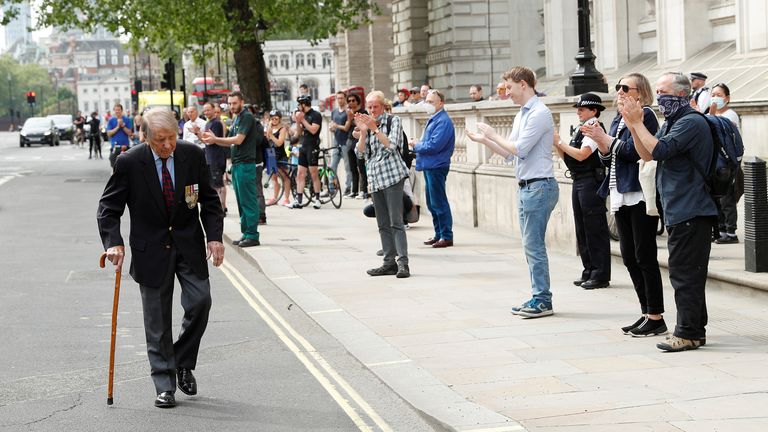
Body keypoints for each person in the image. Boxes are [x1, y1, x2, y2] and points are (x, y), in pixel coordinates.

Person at [97, 108, 225, 408]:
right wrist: (113, 243)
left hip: (188, 243)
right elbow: (108, 208)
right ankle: (164, 383)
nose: (167, 145)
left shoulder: (192, 155)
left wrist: (215, 237)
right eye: (160, 140)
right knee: (157, 322)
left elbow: (207, 199)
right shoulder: (129, 162)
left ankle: (181, 360)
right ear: (146, 137)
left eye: (171, 138)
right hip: (150, 249)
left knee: (200, 300)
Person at [620, 72, 717, 352]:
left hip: (692, 208)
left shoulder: (691, 122)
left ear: (682, 94)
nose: (659, 97)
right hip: (678, 208)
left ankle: (686, 332)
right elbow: (647, 155)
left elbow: (661, 150)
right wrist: (633, 125)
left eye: (663, 92)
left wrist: (639, 122)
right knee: (688, 272)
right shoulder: (674, 121)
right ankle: (695, 330)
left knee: (684, 273)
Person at [467, 66, 558, 319]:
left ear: (523, 85)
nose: (507, 92)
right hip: (527, 186)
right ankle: (538, 295)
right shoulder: (522, 114)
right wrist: (484, 140)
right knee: (530, 245)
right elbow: (509, 154)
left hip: (539, 186)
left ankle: (542, 299)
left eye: (509, 87)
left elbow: (520, 149)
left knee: (534, 245)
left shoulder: (540, 113)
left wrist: (493, 134)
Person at [582, 73, 666, 337]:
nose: (619, 91)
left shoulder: (646, 115)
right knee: (629, 257)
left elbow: (637, 153)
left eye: (624, 87)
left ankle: (656, 315)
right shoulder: (619, 118)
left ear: (639, 93)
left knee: (645, 256)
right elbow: (612, 160)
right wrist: (601, 144)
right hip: (620, 192)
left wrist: (607, 141)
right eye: (618, 87)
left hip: (639, 193)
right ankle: (645, 312)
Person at [553, 93, 611, 290]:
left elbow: (582, 155)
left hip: (590, 182)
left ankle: (600, 274)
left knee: (594, 228)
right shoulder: (582, 129)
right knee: (582, 229)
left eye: (582, 109)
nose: (578, 112)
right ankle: (589, 270)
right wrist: (557, 143)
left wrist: (560, 143)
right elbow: (568, 157)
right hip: (579, 180)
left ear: (594, 111)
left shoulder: (595, 128)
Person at [355, 90, 411, 278]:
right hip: (375, 179)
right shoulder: (368, 125)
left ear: (383, 106)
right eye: (369, 107)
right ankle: (389, 263)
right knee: (382, 223)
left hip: (393, 176)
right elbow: (360, 154)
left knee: (396, 222)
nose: (372, 110)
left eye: (375, 106)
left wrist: (375, 129)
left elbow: (392, 145)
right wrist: (363, 133)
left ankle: (403, 263)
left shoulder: (393, 121)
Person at [201, 91, 263, 248]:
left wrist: (216, 139)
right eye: (230, 103)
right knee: (241, 202)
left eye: (234, 103)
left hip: (245, 164)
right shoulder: (237, 118)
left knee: (248, 201)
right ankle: (246, 233)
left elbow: (238, 140)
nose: (232, 106)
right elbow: (228, 141)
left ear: (241, 102)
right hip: (237, 164)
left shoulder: (247, 117)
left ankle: (252, 235)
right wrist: (212, 139)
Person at [410, 89, 455, 248]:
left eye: (431, 102)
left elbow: (434, 146)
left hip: (437, 165)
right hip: (431, 165)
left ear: (441, 103)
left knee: (438, 202)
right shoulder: (435, 118)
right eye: (427, 101)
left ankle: (446, 236)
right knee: (432, 202)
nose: (428, 105)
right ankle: (439, 234)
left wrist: (417, 145)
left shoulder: (443, 121)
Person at [708, 82, 743, 244]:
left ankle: (730, 232)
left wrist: (712, 116)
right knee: (719, 199)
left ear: (727, 98)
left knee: (728, 200)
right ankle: (721, 229)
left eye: (719, 95)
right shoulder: (714, 115)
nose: (715, 98)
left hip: (727, 164)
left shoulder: (730, 115)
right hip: (717, 164)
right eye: (713, 94)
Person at [292, 95, 323, 209]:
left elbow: (313, 130)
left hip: (313, 146)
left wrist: (302, 119)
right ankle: (299, 200)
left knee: (314, 174)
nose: (299, 107)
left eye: (300, 105)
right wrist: (297, 121)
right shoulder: (302, 115)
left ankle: (318, 199)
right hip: (304, 146)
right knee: (300, 174)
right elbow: (299, 132)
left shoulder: (316, 115)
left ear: (303, 104)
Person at [200, 102, 228, 213]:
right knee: (217, 183)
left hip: (216, 158)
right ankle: (220, 207)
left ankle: (220, 207)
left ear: (213, 110)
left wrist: (202, 136)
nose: (206, 112)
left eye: (208, 110)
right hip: (211, 157)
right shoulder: (209, 123)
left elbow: (211, 141)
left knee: (217, 185)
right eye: (205, 110)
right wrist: (198, 133)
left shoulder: (216, 123)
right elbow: (206, 141)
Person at [329, 91, 354, 196]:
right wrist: (332, 128)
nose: (340, 100)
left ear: (345, 99)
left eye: (341, 98)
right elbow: (332, 126)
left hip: (346, 142)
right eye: (338, 98)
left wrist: (336, 126)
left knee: (347, 167)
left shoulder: (348, 112)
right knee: (332, 166)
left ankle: (348, 187)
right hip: (336, 141)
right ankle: (332, 187)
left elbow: (347, 127)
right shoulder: (334, 111)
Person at [265, 110, 291, 207]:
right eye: (272, 118)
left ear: (279, 119)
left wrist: (271, 135)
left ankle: (287, 198)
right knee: (274, 177)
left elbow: (279, 142)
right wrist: (269, 128)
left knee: (285, 177)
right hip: (271, 154)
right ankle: (275, 197)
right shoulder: (270, 127)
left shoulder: (282, 129)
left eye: (276, 118)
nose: (274, 120)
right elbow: (267, 138)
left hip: (280, 155)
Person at [345, 94, 369, 199]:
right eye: (349, 100)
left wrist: (353, 118)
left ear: (357, 101)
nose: (351, 102)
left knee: (361, 166)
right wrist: (350, 118)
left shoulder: (363, 112)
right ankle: (354, 191)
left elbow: (362, 126)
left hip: (359, 140)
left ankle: (363, 190)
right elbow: (346, 127)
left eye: (353, 100)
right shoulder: (350, 113)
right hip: (350, 141)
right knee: (352, 167)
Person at [106, 104, 133, 168]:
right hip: (115, 147)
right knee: (114, 165)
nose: (117, 111)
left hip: (125, 146)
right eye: (116, 110)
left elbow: (130, 133)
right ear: (114, 111)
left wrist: (123, 126)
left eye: (119, 110)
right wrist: (118, 126)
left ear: (121, 110)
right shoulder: (111, 120)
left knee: (127, 166)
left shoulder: (126, 119)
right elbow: (109, 134)